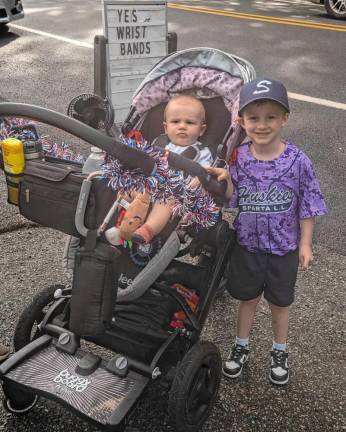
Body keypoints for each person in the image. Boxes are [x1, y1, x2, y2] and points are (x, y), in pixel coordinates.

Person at [207, 78, 327, 385]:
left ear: (284, 118)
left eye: (271, 117)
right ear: (241, 121)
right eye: (253, 118)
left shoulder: (298, 161)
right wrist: (226, 179)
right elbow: (231, 200)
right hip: (248, 246)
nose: (262, 125)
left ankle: (279, 350)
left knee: (279, 303)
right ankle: (241, 345)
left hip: (284, 249)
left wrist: (306, 244)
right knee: (246, 299)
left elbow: (308, 204)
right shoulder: (238, 158)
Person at [127, 94, 213, 244]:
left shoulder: (202, 152)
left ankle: (147, 230)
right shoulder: (158, 143)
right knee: (127, 187)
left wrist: (198, 179)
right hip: (149, 186)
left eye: (190, 122)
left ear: (201, 130)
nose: (182, 126)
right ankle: (117, 221)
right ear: (166, 127)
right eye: (175, 121)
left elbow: (206, 172)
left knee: (165, 203)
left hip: (173, 193)